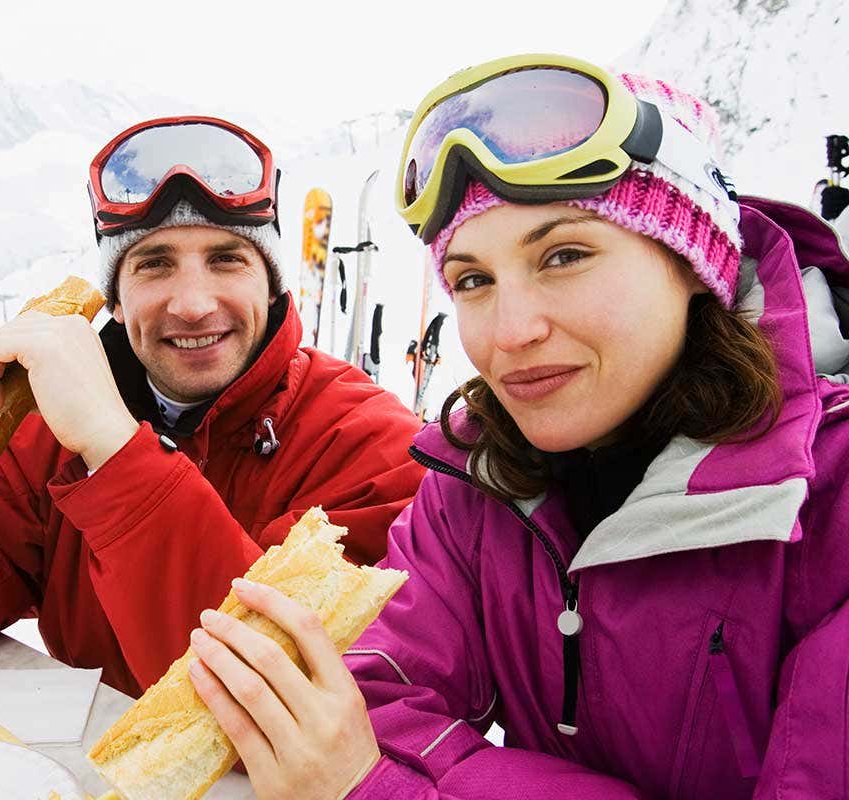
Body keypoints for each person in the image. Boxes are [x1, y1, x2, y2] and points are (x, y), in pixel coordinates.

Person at [184, 56, 849, 798]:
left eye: (564, 256)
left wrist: (382, 788)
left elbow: (362, 763)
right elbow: (370, 703)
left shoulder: (830, 508)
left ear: (695, 261)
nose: (510, 332)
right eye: (473, 280)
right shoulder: (481, 480)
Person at [0, 116, 425, 698]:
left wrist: (115, 453)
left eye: (226, 259)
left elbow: (293, 693)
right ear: (117, 297)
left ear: (270, 282)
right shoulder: (45, 431)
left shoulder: (374, 445)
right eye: (154, 264)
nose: (191, 303)